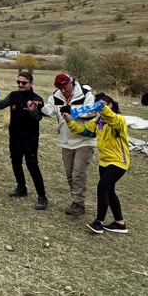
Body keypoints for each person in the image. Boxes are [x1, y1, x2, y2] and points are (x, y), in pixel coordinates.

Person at [63, 93, 130, 234]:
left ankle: (99, 222)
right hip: (104, 161)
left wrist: (104, 108)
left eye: (102, 104)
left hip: (118, 162)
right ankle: (119, 223)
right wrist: (70, 121)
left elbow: (112, 118)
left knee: (102, 188)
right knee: (109, 191)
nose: (98, 107)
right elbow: (85, 131)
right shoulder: (99, 121)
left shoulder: (119, 120)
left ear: (109, 105)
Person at [0, 70, 48, 210]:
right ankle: (21, 187)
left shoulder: (36, 99)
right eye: (18, 82)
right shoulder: (13, 95)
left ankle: (42, 197)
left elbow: (39, 118)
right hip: (14, 136)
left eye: (23, 82)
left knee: (32, 165)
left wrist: (33, 110)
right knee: (15, 162)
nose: (20, 85)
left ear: (31, 83)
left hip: (30, 138)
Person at [42, 73, 98, 216]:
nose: (63, 90)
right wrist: (37, 106)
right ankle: (76, 200)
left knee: (79, 172)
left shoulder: (85, 94)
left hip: (84, 140)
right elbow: (50, 109)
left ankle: (78, 204)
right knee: (70, 174)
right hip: (66, 140)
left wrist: (72, 111)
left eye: (64, 86)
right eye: (59, 87)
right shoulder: (56, 95)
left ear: (71, 83)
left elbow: (92, 112)